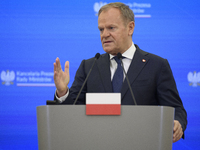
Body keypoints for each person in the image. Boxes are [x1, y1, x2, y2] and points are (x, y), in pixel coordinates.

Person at [53, 2, 187, 143]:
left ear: (130, 28)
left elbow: (176, 108)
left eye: (111, 28)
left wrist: (177, 122)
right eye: (101, 29)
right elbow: (72, 112)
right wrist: (62, 92)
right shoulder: (89, 66)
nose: (104, 34)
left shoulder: (156, 65)